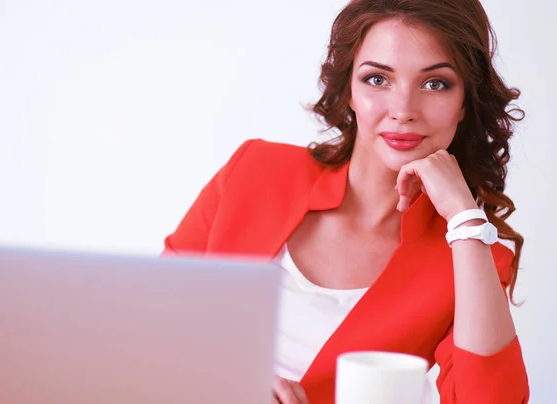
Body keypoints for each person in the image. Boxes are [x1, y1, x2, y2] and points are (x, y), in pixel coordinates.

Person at [162, 0, 530, 402]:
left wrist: (464, 217)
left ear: (464, 103)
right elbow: (146, 323)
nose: (403, 110)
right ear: (349, 89)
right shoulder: (255, 170)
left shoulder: (470, 255)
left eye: (435, 83)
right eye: (377, 79)